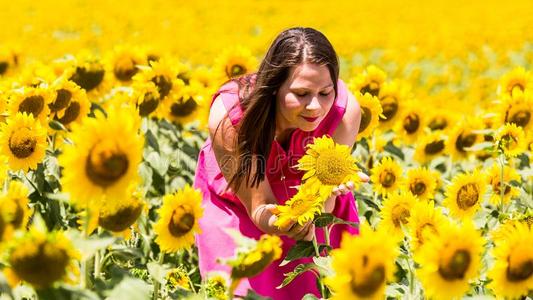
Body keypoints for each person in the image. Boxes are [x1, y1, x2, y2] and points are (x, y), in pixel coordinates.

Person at [193, 27, 367, 299]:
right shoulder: (231, 117)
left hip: (314, 209)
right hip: (240, 205)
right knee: (236, 290)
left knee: (325, 288)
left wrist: (320, 206)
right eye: (301, 93)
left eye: (325, 93)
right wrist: (287, 224)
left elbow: (323, 204)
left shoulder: (344, 114)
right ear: (274, 87)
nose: (315, 107)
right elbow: (259, 207)